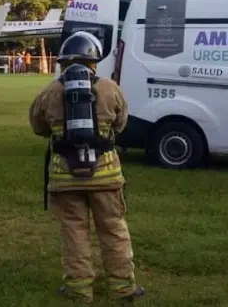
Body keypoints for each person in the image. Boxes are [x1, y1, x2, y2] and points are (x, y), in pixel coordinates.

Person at [29, 31, 144, 304]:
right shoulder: (110, 88)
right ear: (94, 61)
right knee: (113, 229)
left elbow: (38, 127)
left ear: (63, 63)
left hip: (64, 176)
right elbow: (120, 124)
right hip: (106, 175)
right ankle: (123, 288)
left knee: (74, 232)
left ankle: (79, 290)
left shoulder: (49, 91)